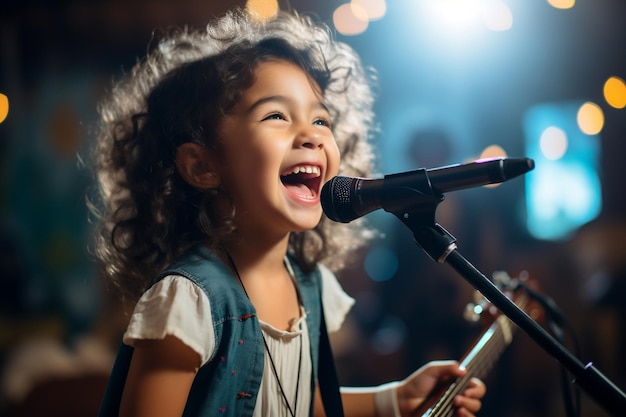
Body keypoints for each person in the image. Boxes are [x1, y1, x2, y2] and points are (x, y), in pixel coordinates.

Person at [91, 8, 486, 417]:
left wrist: (394, 398)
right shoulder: (188, 302)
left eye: (321, 119)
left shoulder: (309, 285)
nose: (312, 134)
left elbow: (299, 399)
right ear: (203, 166)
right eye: (276, 115)